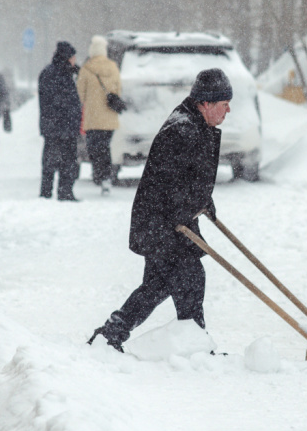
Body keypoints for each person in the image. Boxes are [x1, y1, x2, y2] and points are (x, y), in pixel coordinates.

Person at [88, 68, 232, 352]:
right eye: (224, 104)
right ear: (206, 103)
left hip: (167, 222)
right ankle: (196, 347)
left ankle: (111, 334)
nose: (229, 110)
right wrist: (186, 207)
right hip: (162, 223)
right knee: (189, 278)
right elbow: (167, 182)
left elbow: (190, 176)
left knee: (157, 285)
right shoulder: (181, 130)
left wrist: (203, 200)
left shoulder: (194, 124)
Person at [77, 35, 121, 195]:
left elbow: (80, 95)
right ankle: (106, 178)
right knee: (105, 147)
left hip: (93, 118)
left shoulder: (86, 68)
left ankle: (99, 175)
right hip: (110, 118)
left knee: (94, 148)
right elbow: (118, 90)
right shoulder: (113, 67)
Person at [38, 41, 81, 201]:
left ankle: (48, 192)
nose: (75, 60)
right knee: (66, 161)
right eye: (73, 56)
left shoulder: (52, 72)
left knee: (52, 161)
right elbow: (58, 100)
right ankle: (63, 192)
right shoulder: (59, 74)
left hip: (55, 126)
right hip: (62, 125)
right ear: (67, 57)